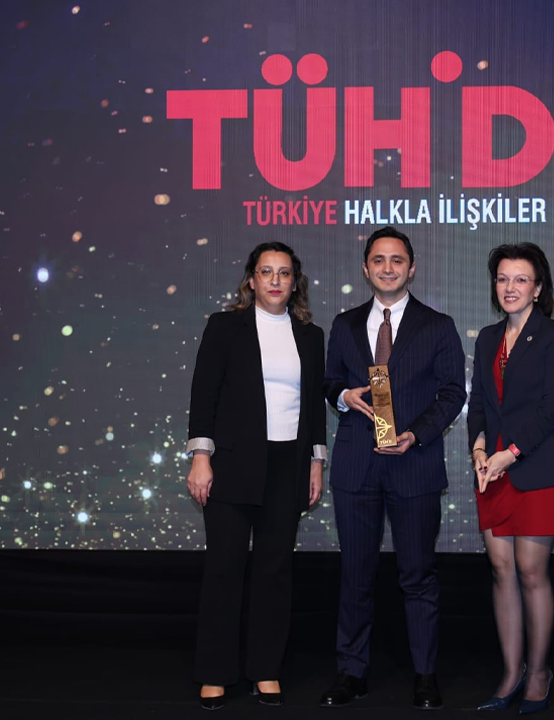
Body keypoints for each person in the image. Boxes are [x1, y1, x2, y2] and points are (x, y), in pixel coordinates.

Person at [319, 226, 466, 710]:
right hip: (356, 465)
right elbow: (330, 382)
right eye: (379, 260)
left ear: (412, 268)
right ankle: (351, 672)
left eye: (397, 260)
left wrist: (416, 434)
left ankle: (425, 676)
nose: (388, 268)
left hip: (414, 464)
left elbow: (452, 393)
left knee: (418, 575)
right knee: (355, 575)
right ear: (365, 269)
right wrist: (344, 396)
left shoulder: (437, 325)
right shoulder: (344, 324)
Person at [185, 241, 327, 710]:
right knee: (224, 569)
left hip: (288, 465)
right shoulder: (225, 326)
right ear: (251, 279)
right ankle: (215, 673)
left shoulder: (310, 335)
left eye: (284, 273)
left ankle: (265, 669)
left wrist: (316, 461)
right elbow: (204, 394)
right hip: (231, 464)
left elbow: (313, 406)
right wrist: (201, 457)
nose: (275, 280)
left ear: (295, 282)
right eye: (266, 271)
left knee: (274, 571)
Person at [467, 243, 554, 714]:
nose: (510, 287)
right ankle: (511, 673)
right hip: (491, 470)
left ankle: (538, 673)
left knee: (532, 572)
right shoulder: (487, 338)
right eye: (502, 279)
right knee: (501, 571)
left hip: (536, 468)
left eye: (520, 279)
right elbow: (478, 404)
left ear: (537, 288)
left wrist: (508, 455)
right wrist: (478, 449)